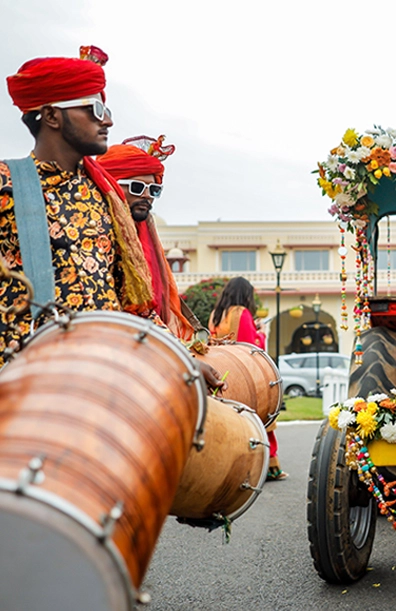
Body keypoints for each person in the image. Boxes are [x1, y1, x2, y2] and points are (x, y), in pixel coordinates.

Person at [0, 46, 155, 366]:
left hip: (103, 373)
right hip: (22, 387)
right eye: (95, 109)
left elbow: (128, 302)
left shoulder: (106, 196)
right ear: (53, 115)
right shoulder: (6, 184)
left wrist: (176, 355)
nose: (108, 121)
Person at [96, 136, 196, 340]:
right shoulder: (94, 230)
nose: (147, 196)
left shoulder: (141, 236)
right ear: (110, 185)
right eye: (136, 187)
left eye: (154, 190)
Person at [209, 276, 288, 481]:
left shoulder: (215, 315)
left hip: (221, 371)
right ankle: (269, 467)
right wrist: (261, 333)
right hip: (244, 373)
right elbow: (250, 347)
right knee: (262, 415)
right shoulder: (241, 313)